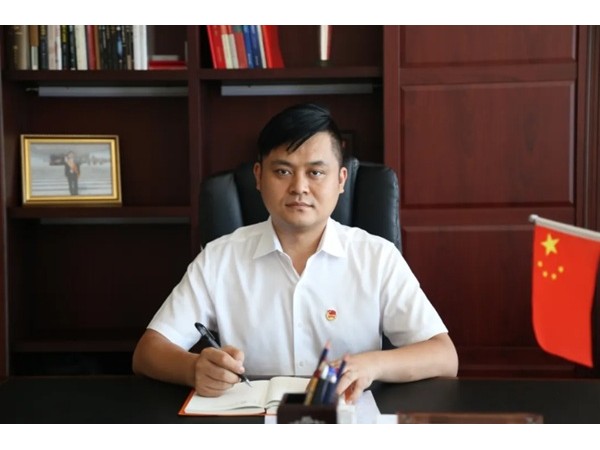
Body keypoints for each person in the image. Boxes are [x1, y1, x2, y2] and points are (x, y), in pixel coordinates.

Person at [132, 103, 458, 403]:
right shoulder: (219, 258)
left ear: (341, 180)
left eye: (315, 172)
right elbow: (148, 352)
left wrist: (370, 365)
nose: (299, 187)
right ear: (258, 177)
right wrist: (193, 368)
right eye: (283, 171)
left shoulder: (377, 257)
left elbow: (443, 356)